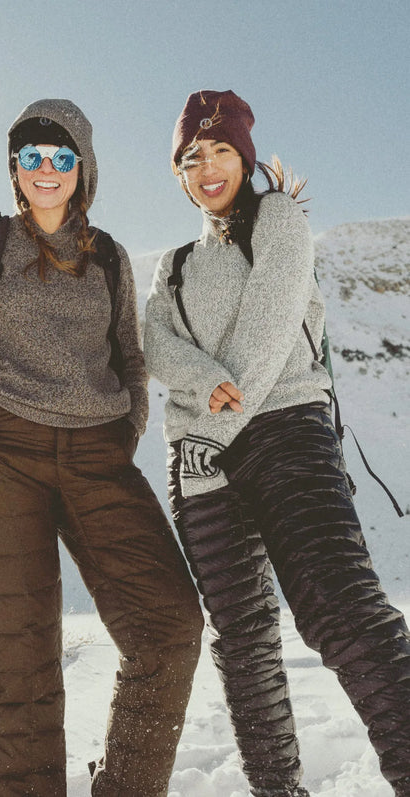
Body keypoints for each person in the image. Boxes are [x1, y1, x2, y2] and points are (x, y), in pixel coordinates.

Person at [144, 89, 410, 797]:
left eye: (220, 150)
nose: (207, 167)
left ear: (245, 155)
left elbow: (265, 337)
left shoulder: (279, 221)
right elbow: (155, 346)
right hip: (199, 465)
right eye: (191, 156)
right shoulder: (170, 269)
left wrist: (209, 427)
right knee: (244, 638)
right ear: (178, 170)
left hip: (285, 430)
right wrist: (201, 382)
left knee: (340, 607)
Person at [0, 98, 203, 796]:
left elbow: (131, 356)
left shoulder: (110, 257)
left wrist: (125, 428)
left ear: (83, 168)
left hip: (95, 451)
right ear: (15, 169)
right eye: (32, 156)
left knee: (171, 623)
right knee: (21, 661)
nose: (47, 169)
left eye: (62, 157)